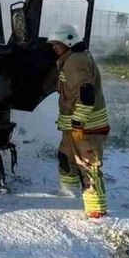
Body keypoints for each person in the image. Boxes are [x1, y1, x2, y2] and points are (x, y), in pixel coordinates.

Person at [47, 24, 110, 219]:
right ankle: (69, 195)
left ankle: (96, 209)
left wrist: (78, 123)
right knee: (66, 159)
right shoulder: (72, 59)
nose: (53, 48)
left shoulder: (76, 62)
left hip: (86, 128)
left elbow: (86, 95)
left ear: (68, 42)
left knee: (88, 165)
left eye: (57, 44)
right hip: (74, 127)